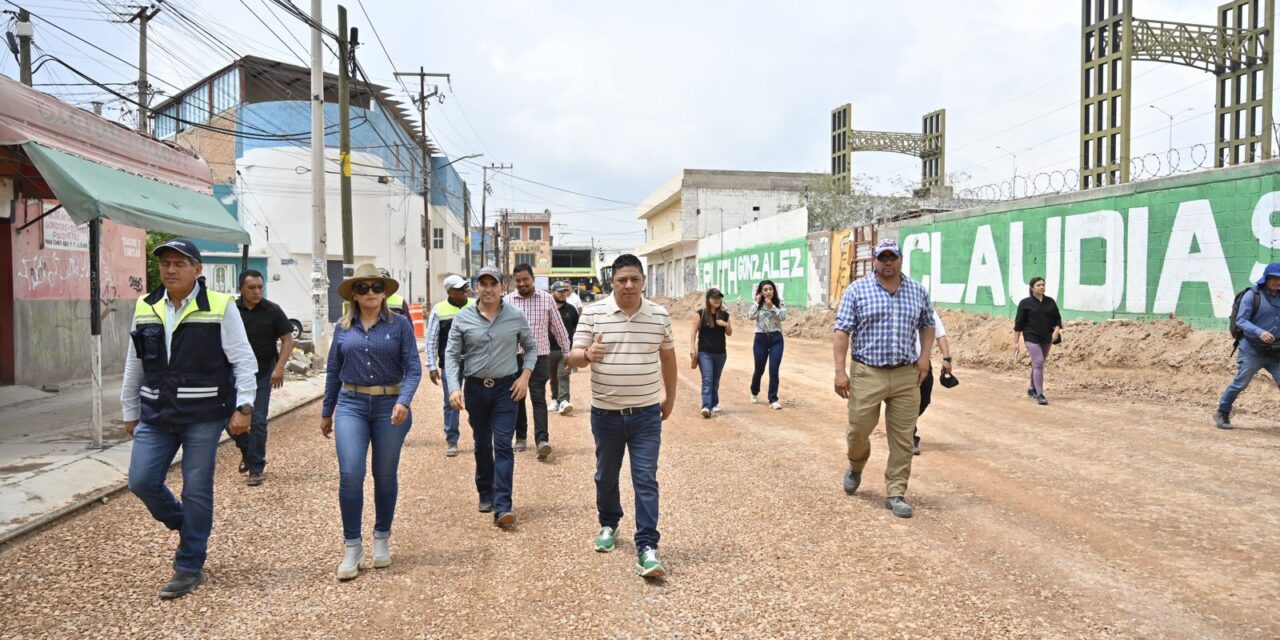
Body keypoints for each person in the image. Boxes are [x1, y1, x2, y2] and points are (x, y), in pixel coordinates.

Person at [122, 238, 258, 599]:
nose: (170, 270)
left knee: (196, 488)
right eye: (165, 263)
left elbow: (243, 360)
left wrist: (244, 406)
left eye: (179, 264)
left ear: (197, 269)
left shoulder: (220, 306)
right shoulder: (146, 305)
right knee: (141, 481)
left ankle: (189, 565)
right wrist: (129, 409)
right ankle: (186, 524)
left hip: (203, 415)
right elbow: (135, 361)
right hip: (156, 413)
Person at [569, 254, 677, 579]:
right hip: (606, 414)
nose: (628, 285)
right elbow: (573, 357)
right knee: (606, 474)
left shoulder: (659, 315)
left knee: (645, 478)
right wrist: (588, 354)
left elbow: (668, 358)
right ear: (612, 282)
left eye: (634, 279)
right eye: (622, 280)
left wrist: (670, 397)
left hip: (646, 414)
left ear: (643, 281)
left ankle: (647, 547)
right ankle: (609, 523)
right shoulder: (593, 313)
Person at [320, 264, 422, 580]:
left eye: (376, 287)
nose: (370, 293)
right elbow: (333, 371)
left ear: (384, 292)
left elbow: (413, 368)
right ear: (353, 294)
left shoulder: (400, 325)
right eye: (363, 288)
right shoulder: (343, 328)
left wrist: (404, 400)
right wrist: (327, 411)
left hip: (390, 405)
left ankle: (381, 538)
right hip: (351, 403)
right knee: (351, 474)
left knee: (384, 474)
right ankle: (352, 546)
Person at [833, 238, 935, 519]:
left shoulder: (917, 290)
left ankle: (896, 492)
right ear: (875, 260)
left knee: (903, 438)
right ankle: (856, 465)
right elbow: (842, 331)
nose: (887, 262)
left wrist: (925, 357)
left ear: (900, 259)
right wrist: (840, 371)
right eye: (883, 257)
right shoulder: (857, 290)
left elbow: (928, 324)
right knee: (858, 430)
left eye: (892, 257)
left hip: (906, 374)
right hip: (868, 372)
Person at [445, 266, 537, 527]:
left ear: (502, 288)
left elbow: (531, 349)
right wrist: (454, 387)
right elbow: (451, 355)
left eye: (493, 284)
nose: (488, 289)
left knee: (504, 445)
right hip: (475, 389)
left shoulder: (515, 316)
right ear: (476, 287)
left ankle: (503, 505)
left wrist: (524, 377)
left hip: (506, 389)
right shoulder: (462, 317)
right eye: (483, 283)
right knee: (482, 443)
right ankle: (485, 491)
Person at [233, 269, 295, 485]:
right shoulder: (231, 310)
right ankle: (247, 450)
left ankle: (256, 467)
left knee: (258, 420)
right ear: (241, 288)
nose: (257, 291)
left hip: (262, 373)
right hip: (234, 374)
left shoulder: (272, 311)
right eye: (252, 287)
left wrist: (279, 368)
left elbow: (288, 340)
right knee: (226, 418)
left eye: (260, 287)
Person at [505, 264, 571, 460]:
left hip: (540, 357)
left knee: (538, 397)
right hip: (514, 357)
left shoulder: (547, 299)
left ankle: (542, 440)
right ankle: (520, 437)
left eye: (525, 279)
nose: (522, 283)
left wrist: (566, 352)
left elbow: (558, 328)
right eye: (518, 280)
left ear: (533, 279)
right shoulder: (507, 301)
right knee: (516, 397)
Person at [1214, 263, 1280, 429]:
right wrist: (1260, 332)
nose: (1277, 282)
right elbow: (1241, 320)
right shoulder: (1252, 295)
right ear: (1266, 278)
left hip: (1275, 352)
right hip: (1252, 351)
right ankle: (1222, 412)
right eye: (1273, 278)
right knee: (1240, 383)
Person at [425, 274, 475, 456]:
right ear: (450, 292)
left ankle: (479, 432)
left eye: (464, 288)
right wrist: (431, 366)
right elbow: (432, 339)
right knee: (451, 402)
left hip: (474, 362)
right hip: (450, 364)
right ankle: (452, 440)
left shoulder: (475, 305)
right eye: (459, 289)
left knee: (477, 399)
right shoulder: (439, 310)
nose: (464, 291)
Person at [1013, 276, 1063, 406]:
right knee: (1039, 362)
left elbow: (1058, 319)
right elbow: (1018, 324)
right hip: (1031, 337)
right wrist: (1016, 343)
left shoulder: (1050, 302)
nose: (1042, 287)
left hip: (1047, 337)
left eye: (1043, 285)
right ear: (1032, 288)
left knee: (1037, 364)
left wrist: (1056, 331)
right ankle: (1040, 394)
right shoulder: (1025, 303)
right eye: (1038, 285)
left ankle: (1032, 388)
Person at [913, 309, 952, 455]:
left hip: (923, 363)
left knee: (924, 399)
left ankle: (902, 424)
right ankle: (909, 436)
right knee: (907, 401)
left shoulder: (927, 310)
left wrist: (947, 358)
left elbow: (940, 335)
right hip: (902, 365)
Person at [690, 288, 732, 417]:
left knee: (715, 380)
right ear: (708, 299)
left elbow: (729, 333)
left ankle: (714, 403)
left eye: (719, 297)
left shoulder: (725, 315)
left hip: (720, 353)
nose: (717, 300)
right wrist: (692, 348)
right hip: (705, 353)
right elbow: (693, 332)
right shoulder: (700, 314)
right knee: (707, 379)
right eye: (714, 297)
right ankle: (706, 406)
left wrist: (725, 324)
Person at [748, 279, 787, 409]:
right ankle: (754, 391)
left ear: (774, 290)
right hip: (761, 338)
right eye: (765, 290)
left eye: (770, 289)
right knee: (759, 369)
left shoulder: (779, 302)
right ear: (761, 292)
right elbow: (750, 316)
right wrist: (756, 302)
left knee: (774, 369)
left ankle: (773, 399)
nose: (768, 292)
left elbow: (783, 317)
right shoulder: (758, 304)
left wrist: (773, 307)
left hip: (776, 339)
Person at [548, 281, 580, 416]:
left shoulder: (571, 310)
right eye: (559, 291)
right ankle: (554, 399)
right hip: (548, 349)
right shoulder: (546, 308)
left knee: (563, 375)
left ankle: (564, 401)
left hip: (565, 350)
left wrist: (576, 345)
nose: (563, 294)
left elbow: (578, 328)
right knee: (552, 377)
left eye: (565, 291)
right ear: (552, 292)